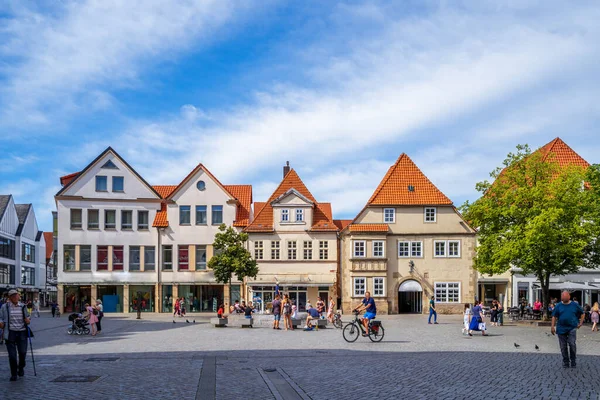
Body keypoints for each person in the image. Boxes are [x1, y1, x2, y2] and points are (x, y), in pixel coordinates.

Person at [0, 290, 31, 381]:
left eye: (16, 295)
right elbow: (0, 317)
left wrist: (28, 319)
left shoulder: (23, 306)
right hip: (10, 333)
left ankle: (21, 367)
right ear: (9, 298)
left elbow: (28, 316)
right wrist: (1, 322)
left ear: (18, 296)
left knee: (22, 353)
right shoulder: (4, 307)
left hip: (22, 332)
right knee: (12, 356)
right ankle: (14, 374)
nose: (15, 297)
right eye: (13, 296)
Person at [551, 290, 584, 368]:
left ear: (569, 297)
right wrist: (552, 326)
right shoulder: (558, 306)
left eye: (565, 296)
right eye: (563, 296)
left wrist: (580, 323)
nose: (564, 297)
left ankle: (573, 360)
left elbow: (582, 313)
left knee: (572, 344)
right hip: (561, 328)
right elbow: (554, 316)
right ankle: (565, 361)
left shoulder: (574, 305)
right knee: (563, 346)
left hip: (572, 327)